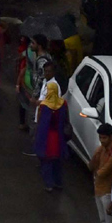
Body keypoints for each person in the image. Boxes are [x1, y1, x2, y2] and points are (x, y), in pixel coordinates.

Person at [33, 61, 69, 191]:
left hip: (46, 138)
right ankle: (58, 182)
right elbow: (66, 120)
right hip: (58, 137)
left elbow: (40, 123)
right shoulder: (63, 105)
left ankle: (49, 184)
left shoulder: (44, 106)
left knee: (46, 160)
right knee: (57, 161)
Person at [90, 124, 112, 223]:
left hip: (107, 192)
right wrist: (97, 153)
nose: (102, 140)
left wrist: (97, 174)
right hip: (99, 189)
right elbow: (91, 166)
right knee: (103, 222)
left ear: (111, 137)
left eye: (104, 138)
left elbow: (103, 171)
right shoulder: (101, 149)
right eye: (100, 138)